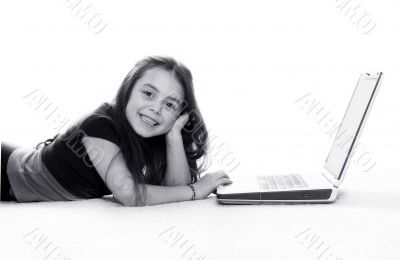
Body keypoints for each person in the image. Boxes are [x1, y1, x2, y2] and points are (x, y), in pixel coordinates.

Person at [0, 56, 233, 206]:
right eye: (149, 94)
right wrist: (196, 189)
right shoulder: (99, 125)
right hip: (7, 173)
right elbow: (128, 194)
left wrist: (174, 136)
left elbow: (175, 189)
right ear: (128, 90)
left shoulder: (151, 132)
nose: (156, 108)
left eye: (170, 104)